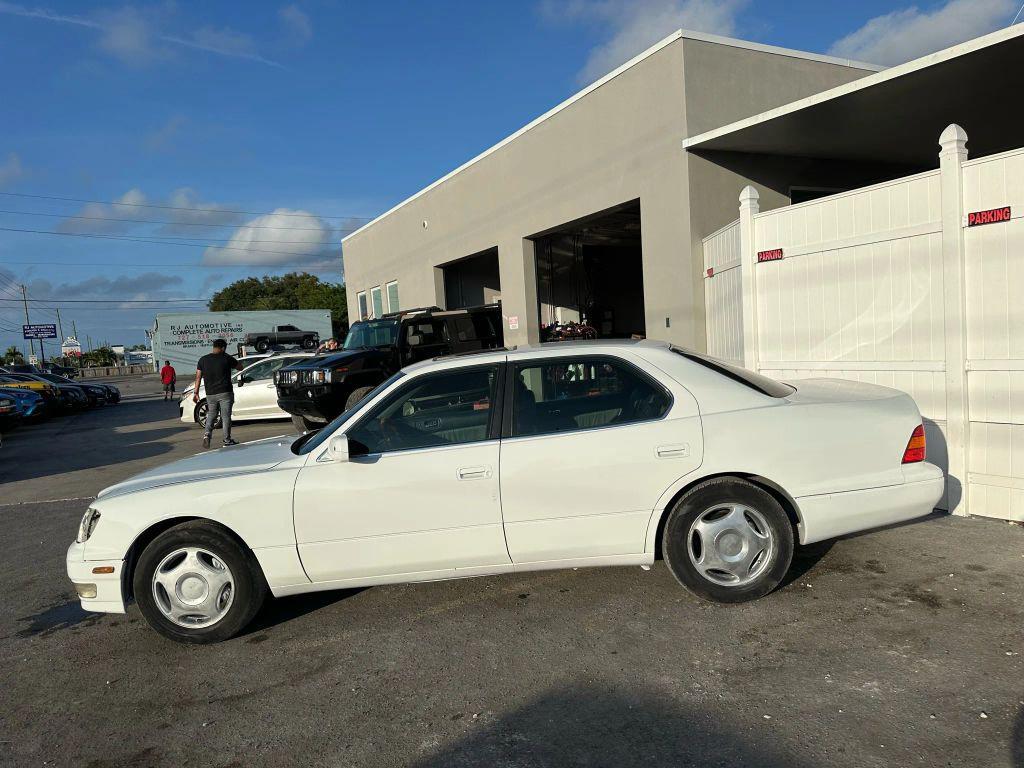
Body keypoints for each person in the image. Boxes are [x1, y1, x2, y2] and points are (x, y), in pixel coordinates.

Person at [193, 339, 243, 449]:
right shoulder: (227, 358)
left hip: (210, 393)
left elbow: (198, 377)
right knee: (225, 417)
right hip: (225, 392)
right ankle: (227, 440)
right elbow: (240, 367)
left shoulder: (203, 360)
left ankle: (207, 435)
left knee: (211, 414)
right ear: (223, 348)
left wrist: (195, 393)